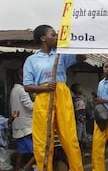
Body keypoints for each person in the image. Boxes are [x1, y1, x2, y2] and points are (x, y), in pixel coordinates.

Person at [23, 24, 86, 171]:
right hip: (44, 97)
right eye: (53, 35)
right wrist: (45, 88)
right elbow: (27, 86)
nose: (56, 37)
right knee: (43, 139)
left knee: (70, 137)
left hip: (62, 94)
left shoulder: (61, 54)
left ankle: (77, 168)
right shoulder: (32, 60)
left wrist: (77, 40)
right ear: (43, 38)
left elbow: (82, 57)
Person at [10, 68, 35, 171]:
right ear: (21, 77)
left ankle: (17, 168)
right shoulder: (22, 90)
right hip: (26, 126)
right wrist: (40, 102)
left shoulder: (14, 89)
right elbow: (30, 106)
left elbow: (16, 110)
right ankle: (25, 168)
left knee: (21, 151)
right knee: (38, 151)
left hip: (18, 125)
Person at [70, 83, 89, 156]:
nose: (82, 90)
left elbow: (84, 108)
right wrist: (79, 117)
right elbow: (75, 110)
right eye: (80, 88)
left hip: (84, 119)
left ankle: (84, 151)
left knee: (84, 135)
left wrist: (89, 115)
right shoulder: (74, 99)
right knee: (79, 135)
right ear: (77, 90)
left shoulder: (82, 98)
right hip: (79, 120)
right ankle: (78, 152)